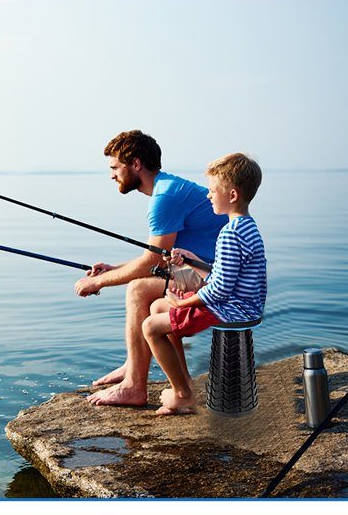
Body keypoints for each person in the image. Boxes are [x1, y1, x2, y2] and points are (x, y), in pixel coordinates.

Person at [74, 130, 227, 410]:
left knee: (138, 288)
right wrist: (113, 268)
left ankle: (134, 385)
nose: (112, 175)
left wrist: (101, 282)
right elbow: (159, 257)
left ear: (135, 164)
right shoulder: (168, 189)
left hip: (214, 279)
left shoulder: (165, 198)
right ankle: (138, 366)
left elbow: (151, 263)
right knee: (153, 301)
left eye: (115, 167)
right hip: (200, 271)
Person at [145, 153, 268, 416]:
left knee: (150, 326)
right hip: (244, 305)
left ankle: (182, 395)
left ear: (232, 195)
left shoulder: (229, 234)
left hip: (231, 310)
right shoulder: (247, 227)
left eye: (212, 191)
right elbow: (224, 275)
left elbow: (221, 289)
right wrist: (191, 261)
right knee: (157, 306)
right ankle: (181, 382)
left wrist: (184, 301)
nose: (208, 196)